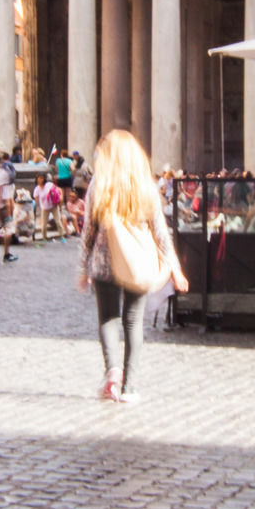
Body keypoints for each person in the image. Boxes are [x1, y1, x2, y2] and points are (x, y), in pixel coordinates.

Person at [79, 130, 188, 403]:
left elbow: (88, 231)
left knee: (107, 319)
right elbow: (160, 231)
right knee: (133, 322)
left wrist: (83, 267)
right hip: (137, 263)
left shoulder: (98, 184)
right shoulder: (145, 185)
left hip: (103, 263)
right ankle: (129, 387)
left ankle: (112, 373)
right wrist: (175, 268)